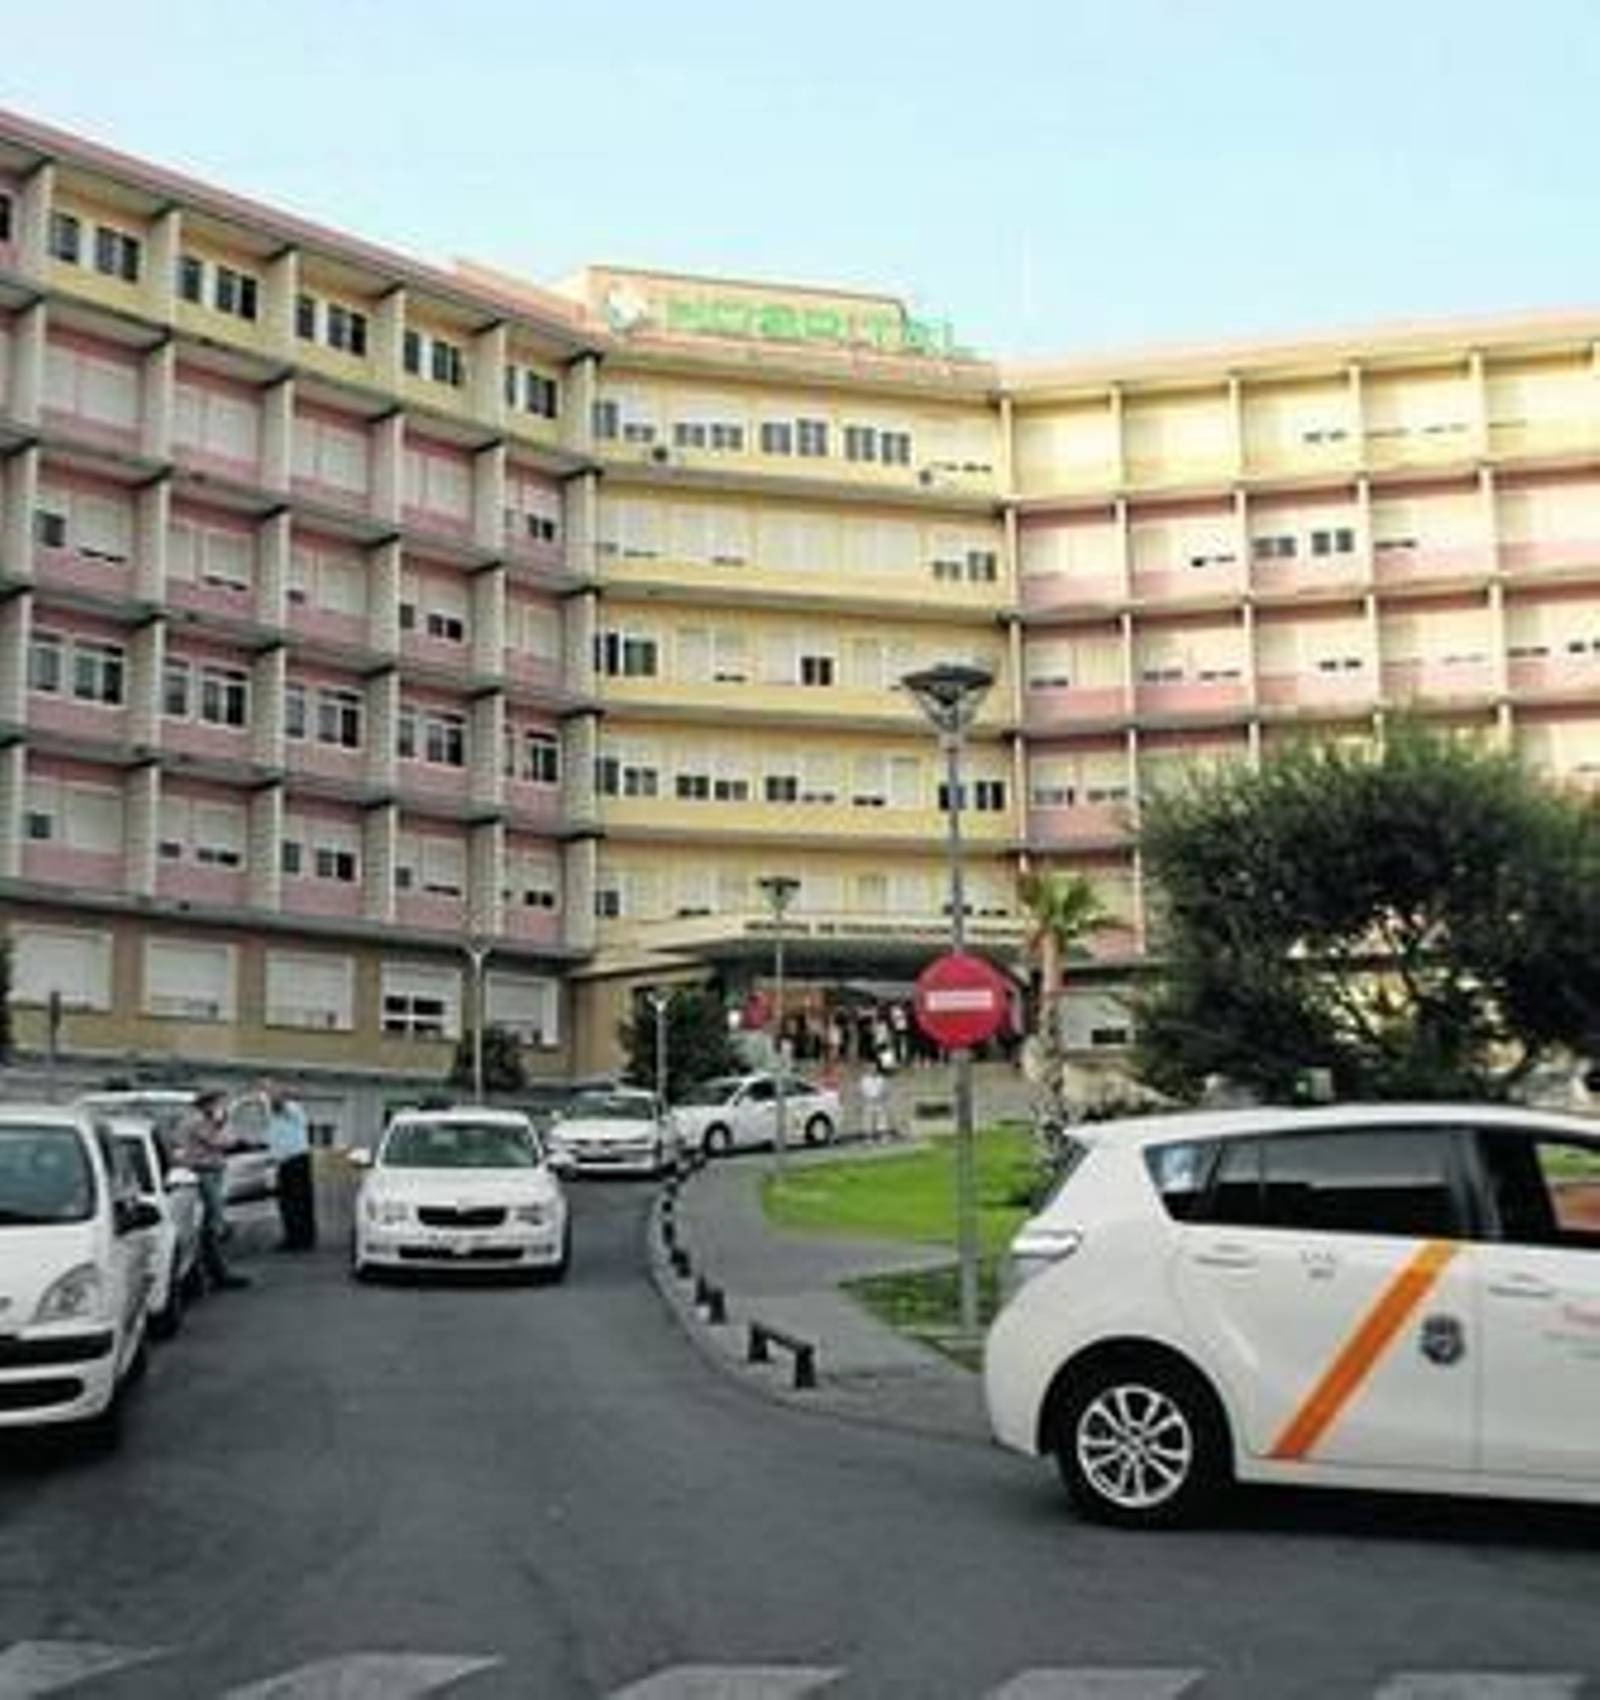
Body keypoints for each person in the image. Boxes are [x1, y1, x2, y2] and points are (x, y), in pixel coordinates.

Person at [174, 1090, 250, 1291]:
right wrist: (234, 1136)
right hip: (204, 1172)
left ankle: (212, 1273)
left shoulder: (198, 1120)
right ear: (207, 1104)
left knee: (209, 1224)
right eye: (218, 1104)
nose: (220, 1108)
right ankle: (214, 1274)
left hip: (208, 1171)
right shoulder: (197, 1121)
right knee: (212, 1224)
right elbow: (219, 1142)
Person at [266, 1081, 316, 1251]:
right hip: (287, 1162)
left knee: (295, 1202)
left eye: (272, 1096)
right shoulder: (276, 1114)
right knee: (290, 1203)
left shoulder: (292, 1108)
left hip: (295, 1161)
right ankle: (299, 1237)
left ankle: (298, 1239)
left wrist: (270, 1087)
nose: (269, 1098)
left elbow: (277, 1102)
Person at [860, 1062, 891, 1143]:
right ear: (868, 1069)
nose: (873, 1070)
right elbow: (863, 1091)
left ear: (877, 1069)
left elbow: (886, 1090)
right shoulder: (864, 1079)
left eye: (874, 1068)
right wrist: (867, 1098)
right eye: (871, 1068)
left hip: (879, 1101)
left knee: (882, 1119)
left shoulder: (881, 1079)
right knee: (868, 1120)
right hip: (869, 1101)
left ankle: (883, 1136)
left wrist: (883, 1098)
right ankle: (868, 1137)